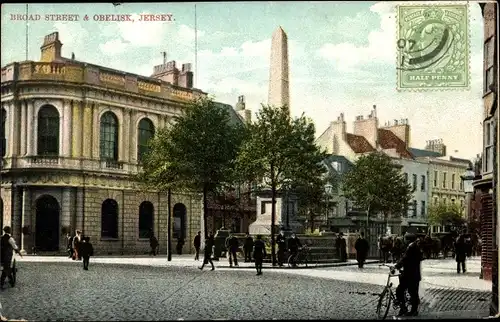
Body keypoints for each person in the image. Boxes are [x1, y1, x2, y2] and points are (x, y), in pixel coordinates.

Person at [393, 233, 423, 317]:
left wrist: (396, 266)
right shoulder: (416, 246)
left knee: (399, 290)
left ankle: (403, 308)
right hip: (415, 274)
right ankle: (414, 311)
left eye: (405, 239)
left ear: (408, 240)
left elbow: (404, 259)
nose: (404, 241)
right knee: (414, 293)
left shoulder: (411, 247)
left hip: (409, 275)